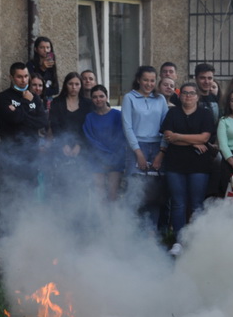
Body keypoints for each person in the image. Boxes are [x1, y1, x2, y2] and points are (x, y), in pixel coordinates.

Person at [161, 82, 217, 255]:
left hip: (198, 164)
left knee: (196, 204)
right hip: (175, 163)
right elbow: (168, 136)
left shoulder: (205, 114)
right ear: (180, 95)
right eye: (185, 93)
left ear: (197, 96)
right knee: (178, 203)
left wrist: (179, 137)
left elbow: (205, 137)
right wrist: (194, 141)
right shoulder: (173, 112)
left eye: (192, 93)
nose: (188, 96)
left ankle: (196, 240)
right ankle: (179, 241)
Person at [0, 62, 50, 235]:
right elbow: (14, 121)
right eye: (19, 76)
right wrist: (25, 107)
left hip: (30, 155)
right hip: (10, 154)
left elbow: (42, 122)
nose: (23, 80)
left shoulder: (35, 98)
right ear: (11, 78)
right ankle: (5, 232)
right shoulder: (3, 98)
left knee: (28, 193)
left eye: (26, 76)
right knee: (8, 194)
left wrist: (21, 114)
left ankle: (25, 231)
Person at [121, 66, 169, 232]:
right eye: (145, 80)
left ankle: (152, 234)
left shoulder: (161, 99)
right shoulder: (129, 98)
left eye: (152, 80)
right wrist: (138, 152)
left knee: (154, 194)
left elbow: (166, 127)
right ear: (138, 80)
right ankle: (131, 233)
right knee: (134, 193)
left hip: (157, 147)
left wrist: (161, 152)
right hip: (136, 147)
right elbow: (127, 127)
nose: (149, 84)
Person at [82, 85, 127, 202]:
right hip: (97, 160)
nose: (98, 99)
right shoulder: (89, 117)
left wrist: (111, 158)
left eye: (101, 96)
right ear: (92, 99)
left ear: (107, 97)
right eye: (95, 97)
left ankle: (113, 219)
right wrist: (103, 158)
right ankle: (102, 220)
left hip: (115, 159)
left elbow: (121, 137)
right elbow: (90, 139)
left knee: (113, 195)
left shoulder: (117, 115)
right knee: (99, 195)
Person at [49, 72, 91, 190]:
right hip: (61, 147)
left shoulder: (87, 104)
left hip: (83, 149)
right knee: (62, 183)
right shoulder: (57, 102)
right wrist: (63, 144)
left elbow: (88, 127)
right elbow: (54, 124)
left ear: (81, 86)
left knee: (80, 184)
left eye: (77, 84)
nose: (74, 87)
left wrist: (79, 145)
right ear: (65, 85)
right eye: (70, 84)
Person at [26, 36, 59, 101]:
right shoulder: (30, 64)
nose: (45, 50)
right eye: (42, 47)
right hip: (33, 99)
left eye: (48, 47)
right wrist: (42, 69)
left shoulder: (51, 66)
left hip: (48, 100)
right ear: (36, 49)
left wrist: (44, 92)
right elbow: (30, 85)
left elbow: (56, 90)